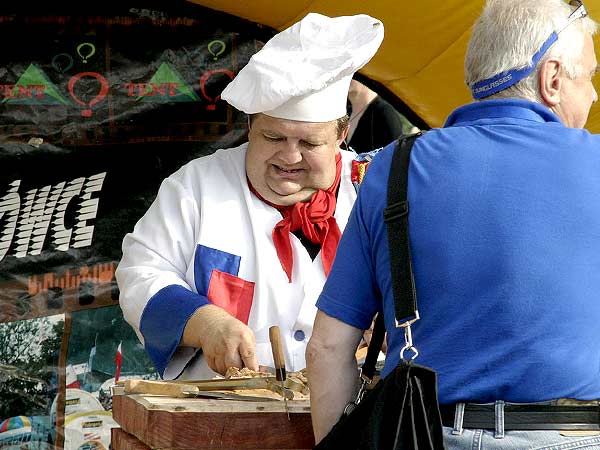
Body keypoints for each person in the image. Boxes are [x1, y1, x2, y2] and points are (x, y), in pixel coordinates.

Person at [307, 1, 600, 448]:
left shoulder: (393, 168)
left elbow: (328, 348)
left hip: (424, 436)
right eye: (590, 78)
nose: (593, 95)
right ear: (553, 79)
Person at [115, 12, 384, 380]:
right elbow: (140, 272)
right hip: (222, 415)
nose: (290, 157)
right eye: (273, 138)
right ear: (249, 129)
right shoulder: (197, 187)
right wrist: (204, 322)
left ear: (341, 136)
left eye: (309, 143)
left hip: (357, 413)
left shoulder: (376, 190)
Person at [345, 78, 410, 152]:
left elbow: (394, 157)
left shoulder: (385, 112)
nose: (345, 78)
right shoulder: (345, 112)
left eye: (353, 73)